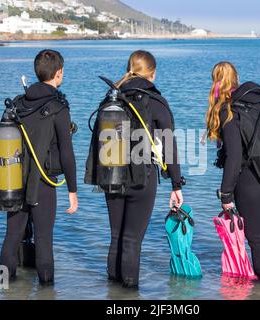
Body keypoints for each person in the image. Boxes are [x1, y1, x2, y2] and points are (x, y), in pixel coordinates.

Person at [87, 50, 184, 289]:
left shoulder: (111, 98)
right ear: (152, 73)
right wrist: (176, 184)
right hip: (143, 177)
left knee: (116, 237)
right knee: (132, 240)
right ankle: (130, 298)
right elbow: (168, 142)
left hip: (112, 173)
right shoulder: (155, 99)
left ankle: (113, 295)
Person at [0, 49, 78, 285]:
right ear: (59, 73)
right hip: (43, 183)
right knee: (44, 239)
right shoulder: (59, 106)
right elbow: (66, 152)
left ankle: (3, 287)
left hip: (13, 178)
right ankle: (47, 291)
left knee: (12, 236)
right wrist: (72, 191)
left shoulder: (17, 103)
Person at [206, 61, 260, 279]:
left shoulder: (228, 111)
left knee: (257, 238)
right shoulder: (256, 100)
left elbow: (233, 157)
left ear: (216, 81)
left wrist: (225, 194)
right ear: (236, 78)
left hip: (249, 183)